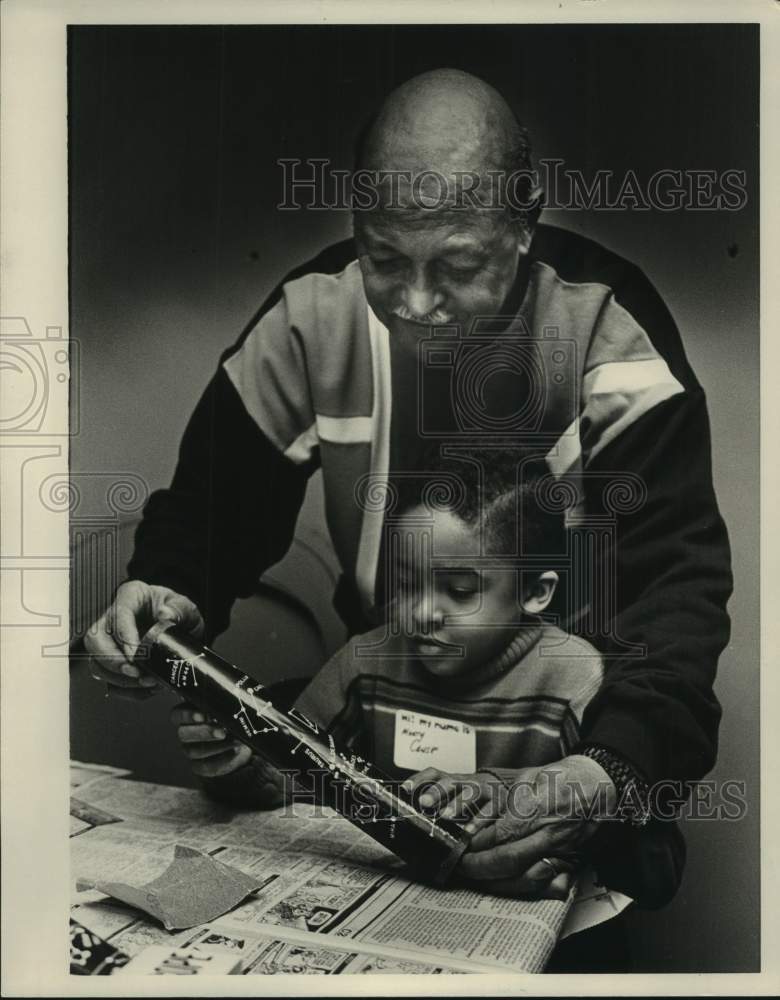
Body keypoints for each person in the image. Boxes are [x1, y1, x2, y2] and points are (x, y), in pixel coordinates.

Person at [84, 68, 732, 906]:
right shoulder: (311, 316)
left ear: (525, 221)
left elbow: (674, 595)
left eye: (459, 265)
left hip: (562, 743)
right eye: (384, 258)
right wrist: (165, 587)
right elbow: (211, 512)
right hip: (383, 737)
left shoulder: (610, 331)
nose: (418, 304)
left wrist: (598, 776)